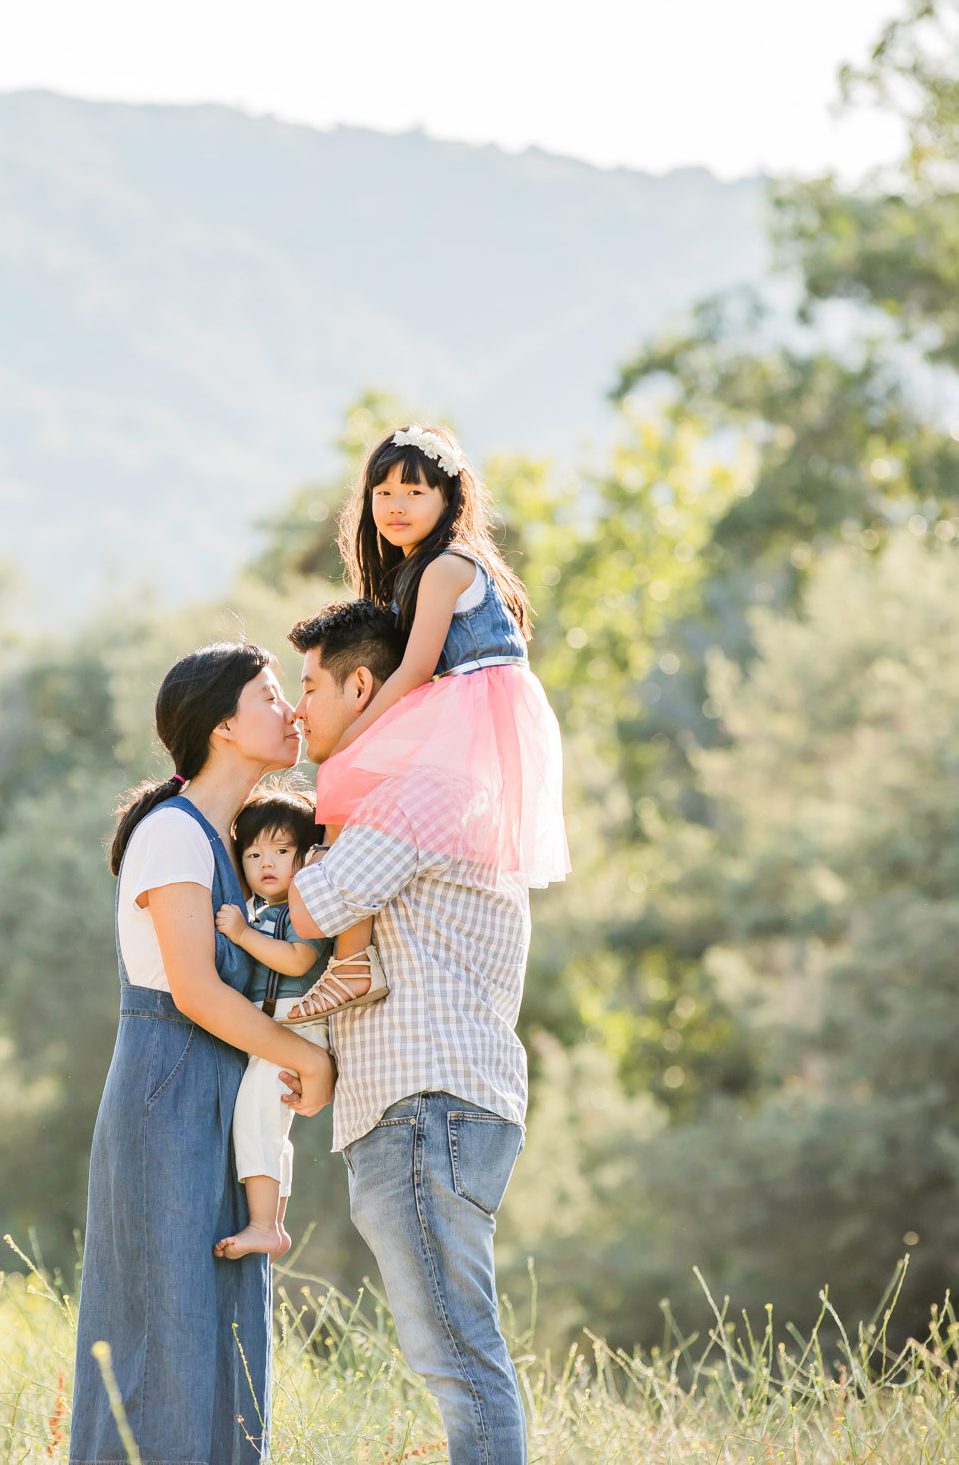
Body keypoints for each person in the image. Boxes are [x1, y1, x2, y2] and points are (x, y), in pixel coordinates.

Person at [284, 597, 537, 1465]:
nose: (298, 708)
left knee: (460, 1362)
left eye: (309, 687)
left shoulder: (418, 788)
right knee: (457, 1358)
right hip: (432, 1104)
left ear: (363, 685)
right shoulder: (430, 784)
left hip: (426, 1104)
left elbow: (315, 905)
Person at [70, 642, 337, 1465]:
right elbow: (193, 989)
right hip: (167, 1091)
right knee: (165, 1327)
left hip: (214, 1091)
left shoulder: (240, 844)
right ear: (224, 725)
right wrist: (310, 1058)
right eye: (268, 695)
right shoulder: (172, 833)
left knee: (222, 1329)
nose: (290, 709)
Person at [288, 424, 567, 1026]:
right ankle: (352, 958)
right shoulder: (414, 570)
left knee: (348, 773)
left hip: (472, 703)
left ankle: (352, 961)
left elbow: (415, 668)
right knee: (351, 786)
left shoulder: (445, 566)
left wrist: (356, 736)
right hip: (456, 703)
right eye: (383, 493)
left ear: (449, 499)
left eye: (414, 492)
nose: (396, 506)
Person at [210, 789, 334, 1261]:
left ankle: (265, 1225)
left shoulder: (305, 910)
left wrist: (241, 934)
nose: (267, 862)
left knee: (256, 1119)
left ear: (306, 857)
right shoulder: (264, 912)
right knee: (269, 1123)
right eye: (254, 853)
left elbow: (299, 960)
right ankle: (273, 1224)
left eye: (282, 852)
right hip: (276, 1030)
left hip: (296, 1027)